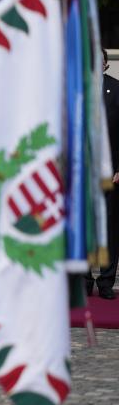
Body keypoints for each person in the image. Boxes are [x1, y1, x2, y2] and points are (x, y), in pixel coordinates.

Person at [88, 47, 119, 299]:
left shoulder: (116, 89)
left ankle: (106, 282)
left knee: (109, 228)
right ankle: (85, 280)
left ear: (106, 64)